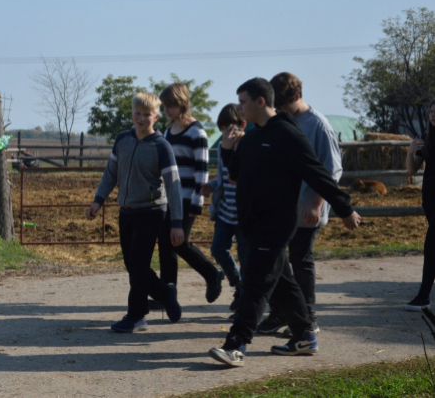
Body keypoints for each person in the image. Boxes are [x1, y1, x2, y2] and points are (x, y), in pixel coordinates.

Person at [208, 78, 361, 367]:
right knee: (281, 281)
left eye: (243, 102)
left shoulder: (290, 136)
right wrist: (228, 150)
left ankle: (236, 344)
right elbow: (235, 176)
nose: (239, 108)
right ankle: (305, 336)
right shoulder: (251, 137)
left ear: (261, 101)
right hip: (251, 224)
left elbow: (318, 173)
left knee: (255, 282)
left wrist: (344, 208)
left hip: (276, 225)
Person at [85, 92, 186, 333]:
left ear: (156, 117)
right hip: (126, 210)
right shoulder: (122, 140)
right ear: (131, 114)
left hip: (152, 211)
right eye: (137, 114)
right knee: (133, 265)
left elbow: (173, 185)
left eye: (146, 115)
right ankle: (163, 293)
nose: (141, 119)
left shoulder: (161, 146)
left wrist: (177, 222)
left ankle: (134, 314)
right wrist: (98, 201)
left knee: (139, 264)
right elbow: (111, 173)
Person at [256, 72, 343, 336]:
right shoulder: (282, 120)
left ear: (296, 97)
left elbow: (332, 169)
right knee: (276, 261)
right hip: (283, 207)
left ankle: (309, 317)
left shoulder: (318, 125)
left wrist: (316, 203)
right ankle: (281, 312)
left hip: (308, 209)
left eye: (282, 105)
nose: (278, 110)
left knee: (301, 259)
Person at [155, 83, 224, 305]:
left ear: (182, 103)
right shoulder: (167, 132)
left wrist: (197, 202)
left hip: (189, 199)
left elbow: (202, 171)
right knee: (166, 246)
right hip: (170, 199)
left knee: (180, 243)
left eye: (171, 105)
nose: (167, 110)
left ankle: (212, 274)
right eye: (164, 106)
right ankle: (167, 294)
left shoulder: (197, 131)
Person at [201, 104, 249, 313]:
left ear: (242, 125)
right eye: (223, 128)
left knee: (246, 256)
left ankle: (244, 296)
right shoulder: (222, 147)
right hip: (225, 212)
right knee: (218, 249)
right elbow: (222, 177)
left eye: (232, 126)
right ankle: (237, 282)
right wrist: (210, 186)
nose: (228, 132)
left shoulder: (248, 146)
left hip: (245, 214)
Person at [405, 99, 435, 311]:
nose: (433, 115)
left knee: (431, 247)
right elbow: (411, 171)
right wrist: (410, 151)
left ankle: (423, 296)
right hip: (430, 200)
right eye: (431, 112)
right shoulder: (427, 138)